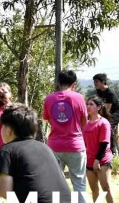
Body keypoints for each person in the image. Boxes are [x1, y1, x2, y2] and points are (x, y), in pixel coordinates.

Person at [0, 103, 71, 203]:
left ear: (9, 131)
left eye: (2, 126)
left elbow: (5, 192)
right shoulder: (46, 148)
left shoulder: (7, 150)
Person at [43, 70, 88, 200]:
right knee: (79, 184)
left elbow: (49, 119)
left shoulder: (49, 98)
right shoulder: (79, 98)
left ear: (58, 83)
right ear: (74, 84)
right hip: (75, 145)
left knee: (56, 184)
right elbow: (84, 121)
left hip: (55, 146)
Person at [83, 97, 114, 203]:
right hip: (89, 161)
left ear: (99, 107)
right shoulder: (85, 124)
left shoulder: (104, 123)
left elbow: (104, 144)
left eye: (91, 104)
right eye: (87, 104)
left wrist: (97, 160)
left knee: (106, 189)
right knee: (94, 190)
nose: (88, 106)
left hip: (102, 161)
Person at [93, 73, 119, 155]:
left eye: (96, 81)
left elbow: (107, 110)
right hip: (106, 111)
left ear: (103, 82)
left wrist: (99, 118)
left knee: (108, 126)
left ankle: (113, 150)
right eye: (94, 81)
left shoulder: (110, 94)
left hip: (115, 112)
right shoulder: (99, 91)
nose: (95, 83)